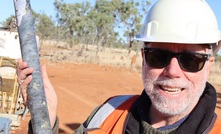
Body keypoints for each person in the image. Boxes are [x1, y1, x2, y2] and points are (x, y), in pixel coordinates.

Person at [17, 0, 221, 133]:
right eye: (158, 56)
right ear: (143, 58)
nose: (173, 71)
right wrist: (45, 120)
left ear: (209, 65)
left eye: (191, 61)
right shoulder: (107, 114)